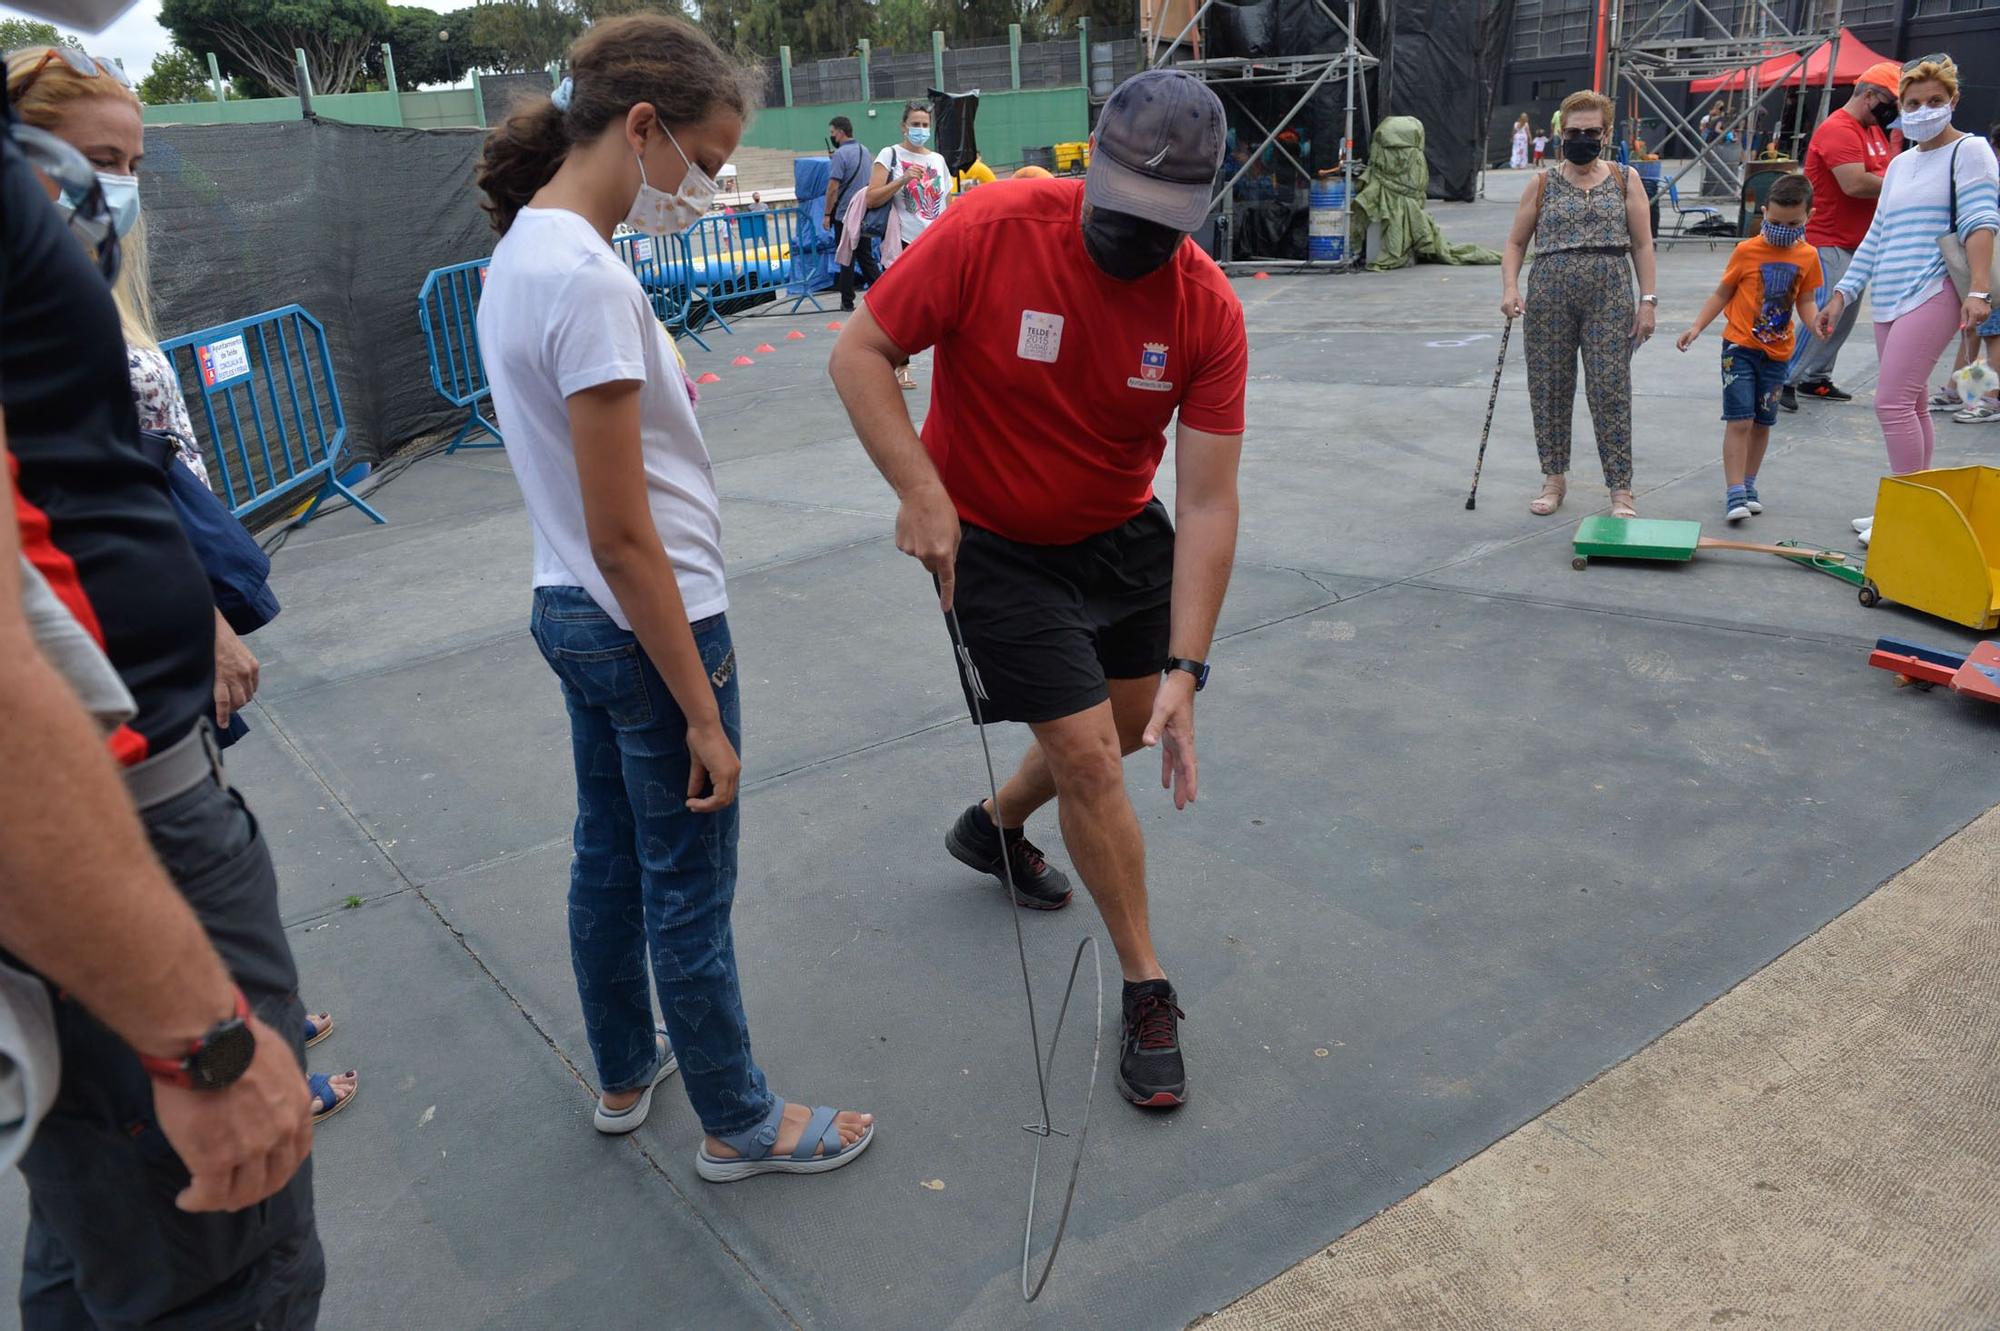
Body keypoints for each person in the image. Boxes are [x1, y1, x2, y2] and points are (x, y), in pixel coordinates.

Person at [472, 14, 873, 1177]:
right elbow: (625, 533)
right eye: (703, 158)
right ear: (640, 128)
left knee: (608, 854)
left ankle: (620, 1065)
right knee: (687, 881)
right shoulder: (585, 278)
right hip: (647, 622)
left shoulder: (522, 253)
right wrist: (700, 706)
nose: (709, 184)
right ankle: (739, 1118)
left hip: (568, 607)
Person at [829, 68, 1248, 1111]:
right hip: (993, 543)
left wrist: (1188, 668)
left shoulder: (1204, 309)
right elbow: (861, 351)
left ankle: (993, 823)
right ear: (1088, 166)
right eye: (1121, 208)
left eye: (1164, 222)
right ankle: (1146, 984)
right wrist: (920, 491)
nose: (1134, 237)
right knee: (1092, 759)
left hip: (1117, 535)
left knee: (1131, 724)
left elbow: (1205, 504)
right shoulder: (996, 224)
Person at [1, 60, 324, 1328]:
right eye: (85, 166)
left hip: (131, 789)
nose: (104, 193)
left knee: (97, 1242)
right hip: (114, 807)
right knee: (229, 1257)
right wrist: (203, 1040)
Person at [1818, 55, 1998, 545]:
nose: (1923, 110)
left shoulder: (1972, 151)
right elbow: (1877, 233)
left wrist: (1979, 290)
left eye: (1935, 101)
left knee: (1892, 402)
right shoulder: (1899, 163)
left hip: (1935, 286)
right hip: (1890, 293)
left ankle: (1906, 514)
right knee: (1913, 403)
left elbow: (1982, 220)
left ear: (1953, 101)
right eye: (1913, 103)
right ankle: (1912, 502)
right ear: (1900, 105)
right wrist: (1842, 293)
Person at [1499, 89, 1659, 518]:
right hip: (1550, 291)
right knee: (1549, 387)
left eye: (1590, 131)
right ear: (1560, 134)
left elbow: (1643, 245)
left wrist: (1647, 301)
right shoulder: (1543, 183)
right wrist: (1510, 288)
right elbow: (1515, 243)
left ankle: (1621, 488)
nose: (1581, 138)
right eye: (1573, 132)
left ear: (1605, 133)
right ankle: (1553, 478)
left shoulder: (1626, 178)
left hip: (1610, 289)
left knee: (1610, 388)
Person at [1674, 173, 1823, 521]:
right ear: (1764, 213)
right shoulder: (1747, 250)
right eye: (1774, 222)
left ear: (1808, 218)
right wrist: (1697, 326)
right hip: (1739, 348)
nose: (1782, 229)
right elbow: (1722, 292)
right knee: (1739, 420)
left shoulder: (1808, 256)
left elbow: (1805, 300)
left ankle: (1750, 483)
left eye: (1792, 223)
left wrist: (1815, 322)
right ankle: (1735, 491)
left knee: (1762, 422)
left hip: (1777, 354)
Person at [1781, 61, 1901, 410]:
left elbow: (1883, 170)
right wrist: (1901, 184)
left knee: (1845, 315)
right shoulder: (1840, 129)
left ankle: (1815, 377)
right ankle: (1784, 378)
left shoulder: (1872, 131)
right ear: (1869, 95)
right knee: (1824, 312)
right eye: (1890, 100)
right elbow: (1855, 183)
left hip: (1857, 241)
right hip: (1828, 238)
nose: (1892, 109)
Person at [866, 101, 949, 389]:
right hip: (902, 242)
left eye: (925, 125)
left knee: (942, 306)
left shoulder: (938, 160)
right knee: (904, 307)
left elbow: (946, 204)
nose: (920, 130)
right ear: (904, 126)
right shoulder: (889, 155)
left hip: (935, 243)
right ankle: (901, 365)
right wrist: (902, 179)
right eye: (915, 124)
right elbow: (872, 198)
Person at [1948, 121, 2000, 426]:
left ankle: (1989, 397)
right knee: (1976, 329)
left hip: (1991, 267)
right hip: (1988, 266)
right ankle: (1964, 392)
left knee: (1990, 333)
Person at [823, 116, 878, 312]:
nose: (832, 136)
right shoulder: (864, 151)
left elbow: (832, 187)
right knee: (866, 256)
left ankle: (847, 300)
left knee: (846, 257)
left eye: (832, 133)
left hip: (845, 214)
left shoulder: (840, 155)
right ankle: (883, 292)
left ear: (840, 132)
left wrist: (827, 213)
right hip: (863, 212)